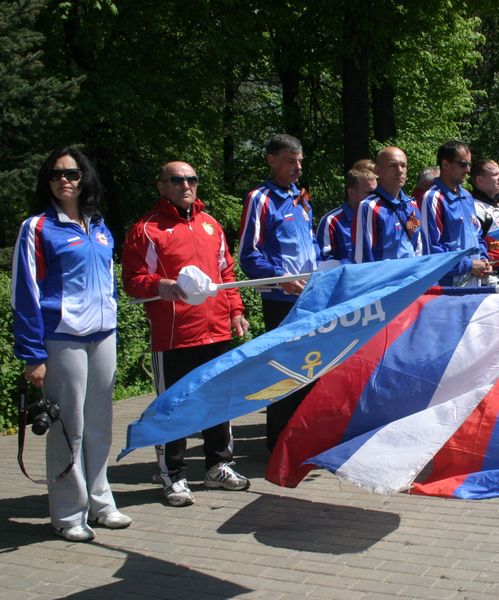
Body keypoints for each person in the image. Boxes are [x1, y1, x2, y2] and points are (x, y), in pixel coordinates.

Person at [12, 147, 130, 542]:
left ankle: (101, 502)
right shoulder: (37, 227)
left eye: (73, 174)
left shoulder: (99, 226)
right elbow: (25, 293)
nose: (66, 180)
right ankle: (67, 513)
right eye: (57, 174)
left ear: (85, 178)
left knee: (99, 426)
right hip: (61, 337)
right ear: (48, 181)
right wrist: (32, 354)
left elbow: (109, 281)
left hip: (103, 336)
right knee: (69, 428)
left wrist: (111, 315)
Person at [122, 161, 251, 507]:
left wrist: (236, 310)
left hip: (217, 332)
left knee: (219, 402)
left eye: (191, 179)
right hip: (175, 337)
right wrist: (158, 285)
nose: (185, 185)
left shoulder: (211, 225)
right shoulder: (146, 230)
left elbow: (227, 273)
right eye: (176, 180)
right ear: (161, 185)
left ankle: (218, 466)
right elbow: (131, 281)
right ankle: (172, 476)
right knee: (173, 407)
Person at [238, 134, 320, 450]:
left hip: (310, 298)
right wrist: (280, 278)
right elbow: (248, 254)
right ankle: (280, 446)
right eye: (289, 160)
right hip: (279, 300)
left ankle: (305, 442)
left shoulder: (301, 198)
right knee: (283, 374)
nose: (297, 167)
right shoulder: (260, 198)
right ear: (271, 160)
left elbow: (309, 246)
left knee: (310, 370)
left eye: (299, 161)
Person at [421, 140, 491, 286]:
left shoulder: (466, 196)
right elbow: (432, 249)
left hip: (474, 280)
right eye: (463, 164)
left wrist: (484, 259)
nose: (468, 170)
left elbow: (476, 235)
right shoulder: (433, 198)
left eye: (469, 165)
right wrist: (469, 265)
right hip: (449, 284)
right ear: (445, 164)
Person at [354, 146, 425, 262]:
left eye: (403, 165)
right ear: (377, 171)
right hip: (385, 279)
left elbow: (419, 249)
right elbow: (362, 258)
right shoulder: (369, 207)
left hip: (411, 277)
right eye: (393, 165)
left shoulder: (411, 205)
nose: (400, 170)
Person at [317, 163, 377, 264]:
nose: (374, 198)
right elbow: (324, 261)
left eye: (376, 193)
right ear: (352, 193)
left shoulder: (378, 216)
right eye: (369, 193)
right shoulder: (332, 221)